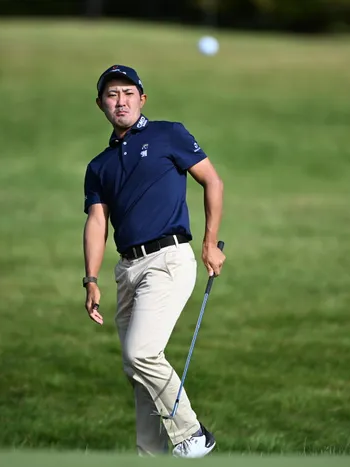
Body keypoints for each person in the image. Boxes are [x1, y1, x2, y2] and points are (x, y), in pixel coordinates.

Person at [81, 64, 226, 458]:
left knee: (141, 354)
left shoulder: (168, 134)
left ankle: (193, 434)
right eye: (112, 95)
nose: (120, 101)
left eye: (128, 93)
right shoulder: (99, 166)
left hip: (168, 259)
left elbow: (212, 180)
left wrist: (209, 243)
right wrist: (90, 279)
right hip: (127, 270)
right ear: (100, 104)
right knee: (138, 372)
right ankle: (150, 456)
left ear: (142, 99)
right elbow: (97, 222)